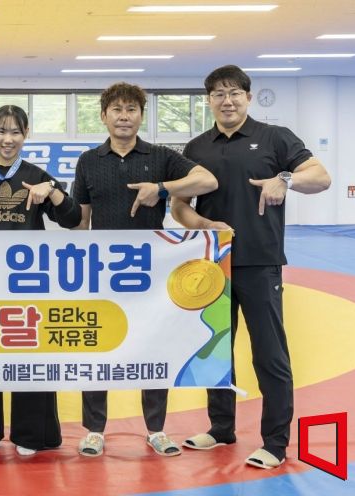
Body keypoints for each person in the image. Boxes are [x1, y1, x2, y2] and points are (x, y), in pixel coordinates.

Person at [172, 65, 331, 469]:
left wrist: (285, 179)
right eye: (218, 94)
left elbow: (321, 177)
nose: (227, 101)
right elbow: (179, 207)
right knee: (215, 352)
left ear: (248, 97)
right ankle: (221, 427)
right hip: (213, 265)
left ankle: (275, 443)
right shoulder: (196, 147)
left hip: (260, 264)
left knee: (269, 355)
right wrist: (204, 223)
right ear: (209, 100)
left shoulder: (275, 137)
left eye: (234, 93)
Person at [71, 82, 218, 458]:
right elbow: (81, 221)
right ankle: (94, 430)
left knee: (154, 346)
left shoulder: (161, 156)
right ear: (103, 116)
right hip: (102, 272)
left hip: (150, 272)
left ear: (141, 115)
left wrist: (162, 188)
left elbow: (208, 180)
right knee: (98, 348)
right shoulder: (88, 161)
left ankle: (156, 429)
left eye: (131, 109)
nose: (124, 116)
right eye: (117, 110)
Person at [0, 104, 81, 456]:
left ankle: (30, 434)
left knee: (29, 357)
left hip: (27, 283)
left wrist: (51, 190)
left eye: (15, 132)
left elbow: (72, 220)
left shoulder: (38, 175)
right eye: (1, 131)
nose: (7, 139)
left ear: (26, 135)